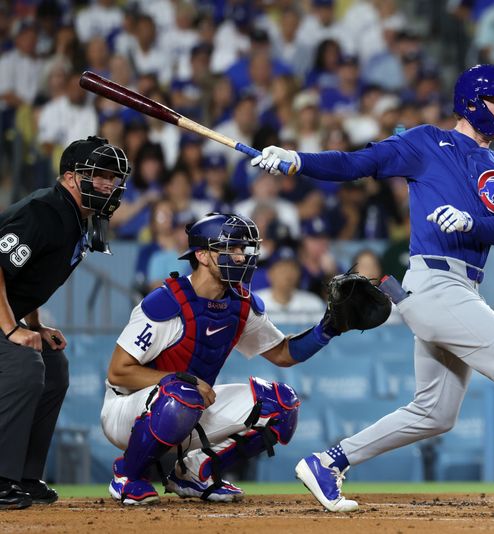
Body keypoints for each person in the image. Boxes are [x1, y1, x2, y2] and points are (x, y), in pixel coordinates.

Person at [252, 64, 494, 514]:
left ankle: (328, 461)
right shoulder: (426, 142)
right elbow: (357, 162)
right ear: (472, 102)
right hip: (432, 283)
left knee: (435, 412)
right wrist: (297, 159)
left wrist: (473, 221)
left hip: (463, 289)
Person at [101, 213, 347, 506]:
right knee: (183, 393)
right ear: (203, 255)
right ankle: (128, 474)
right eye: (231, 248)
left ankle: (195, 472)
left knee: (283, 404)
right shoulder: (166, 302)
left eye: (243, 249)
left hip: (188, 407)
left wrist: (328, 328)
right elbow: (118, 372)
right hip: (127, 411)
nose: (241, 257)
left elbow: (283, 354)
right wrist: (183, 380)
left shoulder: (240, 303)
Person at [0, 136, 129, 509]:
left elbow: (25, 279)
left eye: (114, 178)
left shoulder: (75, 217)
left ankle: (23, 476)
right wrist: (11, 329)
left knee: (54, 366)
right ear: (71, 178)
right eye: (100, 175)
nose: (110, 185)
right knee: (24, 364)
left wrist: (33, 325)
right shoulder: (45, 211)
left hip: (9, 310)